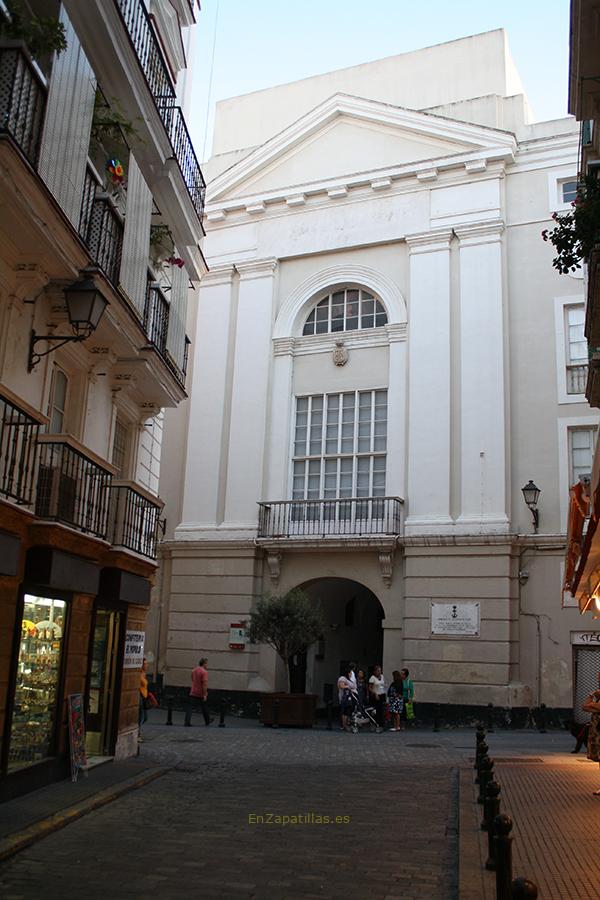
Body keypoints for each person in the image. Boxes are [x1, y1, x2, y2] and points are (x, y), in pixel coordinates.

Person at [582, 669, 600, 796]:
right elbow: (584, 706)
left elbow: (591, 706)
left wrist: (593, 706)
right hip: (597, 732)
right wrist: (593, 697)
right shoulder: (598, 695)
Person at [184, 657, 212, 726]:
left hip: (193, 691)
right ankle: (207, 721)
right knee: (204, 707)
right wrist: (205, 694)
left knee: (190, 707)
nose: (207, 665)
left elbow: (192, 679)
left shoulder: (194, 670)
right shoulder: (204, 672)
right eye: (206, 663)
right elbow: (204, 684)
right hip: (201, 693)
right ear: (204, 663)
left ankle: (187, 721)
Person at [337, 665, 355, 731]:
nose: (351, 674)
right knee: (345, 712)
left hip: (350, 698)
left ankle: (347, 724)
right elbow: (342, 686)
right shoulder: (342, 678)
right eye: (350, 673)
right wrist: (348, 687)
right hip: (344, 698)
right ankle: (344, 725)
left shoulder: (348, 679)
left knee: (348, 711)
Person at [368, 664, 386, 729]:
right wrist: (375, 693)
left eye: (380, 670)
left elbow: (382, 684)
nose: (379, 672)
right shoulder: (372, 678)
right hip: (376, 696)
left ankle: (381, 724)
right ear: (375, 671)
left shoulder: (382, 676)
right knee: (376, 710)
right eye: (378, 670)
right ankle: (376, 723)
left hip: (382, 695)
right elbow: (370, 688)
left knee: (382, 710)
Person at [138, 657, 149, 741]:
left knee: (145, 717)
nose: (146, 665)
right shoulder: (139, 673)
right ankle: (137, 734)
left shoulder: (144, 674)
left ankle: (138, 732)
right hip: (140, 696)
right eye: (145, 664)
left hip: (144, 696)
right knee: (141, 717)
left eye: (146, 663)